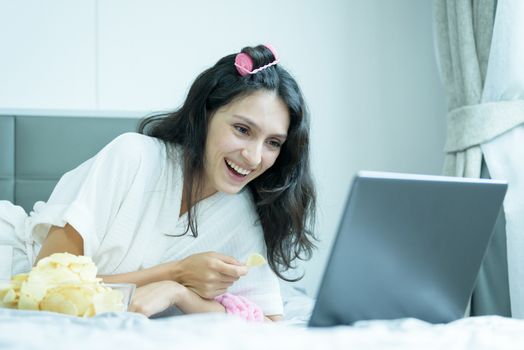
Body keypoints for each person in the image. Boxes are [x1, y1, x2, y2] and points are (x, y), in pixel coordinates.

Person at [0, 44, 316, 320]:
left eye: (273, 142)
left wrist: (179, 294)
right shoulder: (132, 156)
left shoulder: (239, 213)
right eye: (243, 130)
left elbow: (268, 323)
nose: (253, 156)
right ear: (205, 115)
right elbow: (45, 286)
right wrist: (175, 273)